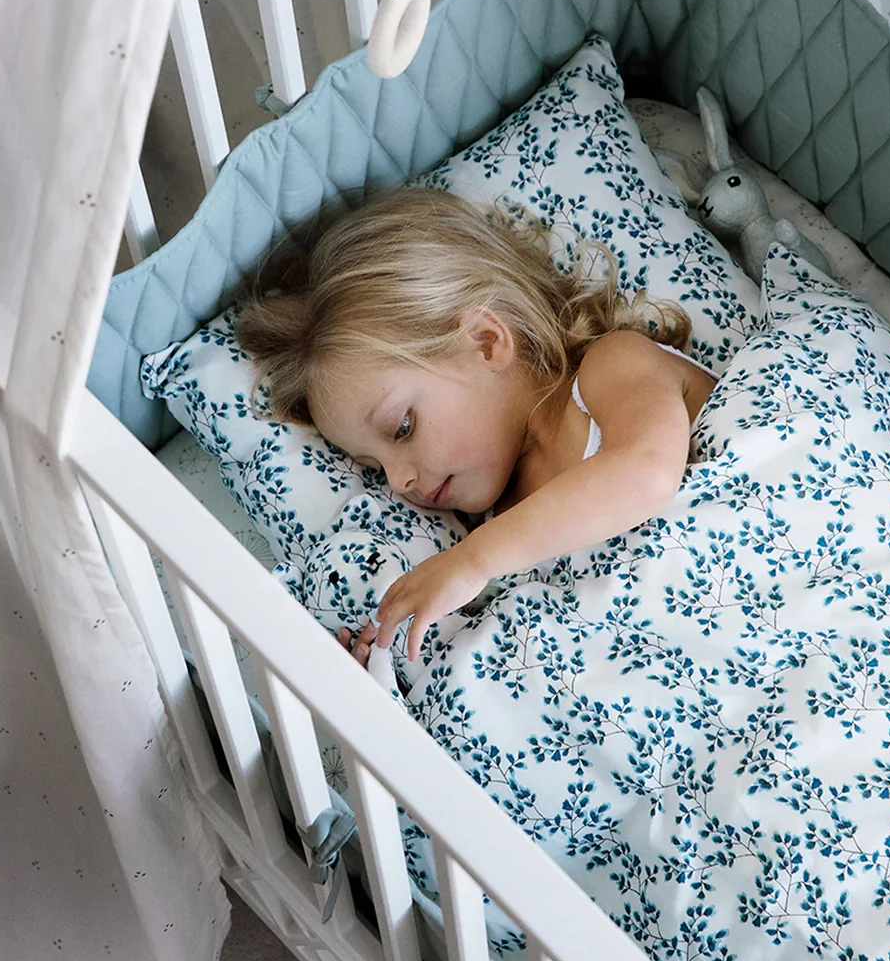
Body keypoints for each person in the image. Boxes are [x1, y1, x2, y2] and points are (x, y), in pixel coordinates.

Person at [236, 188, 718, 664]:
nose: (398, 482)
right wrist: (387, 660)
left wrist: (472, 561)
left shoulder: (613, 368)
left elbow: (646, 472)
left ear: (487, 343)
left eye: (403, 428)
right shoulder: (483, 532)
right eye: (374, 467)